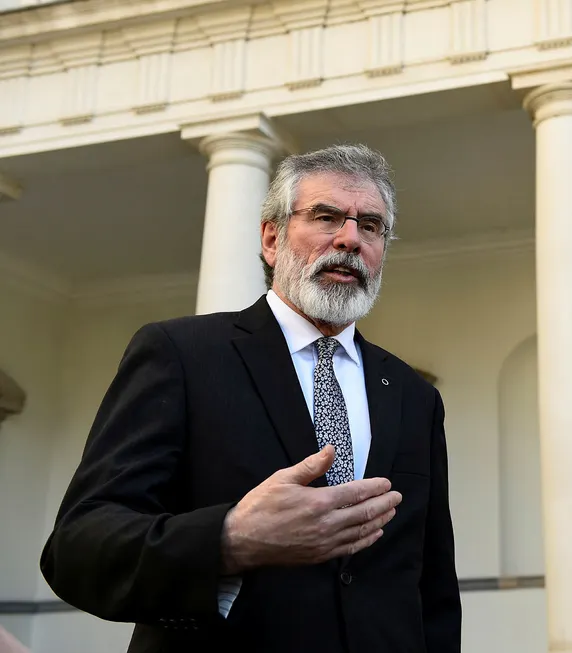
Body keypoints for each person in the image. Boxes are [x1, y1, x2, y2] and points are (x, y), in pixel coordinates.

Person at [39, 144, 462, 653]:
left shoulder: (413, 395)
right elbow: (78, 548)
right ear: (271, 238)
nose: (350, 239)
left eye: (370, 226)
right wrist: (230, 538)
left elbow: (432, 587)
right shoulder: (182, 355)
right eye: (326, 217)